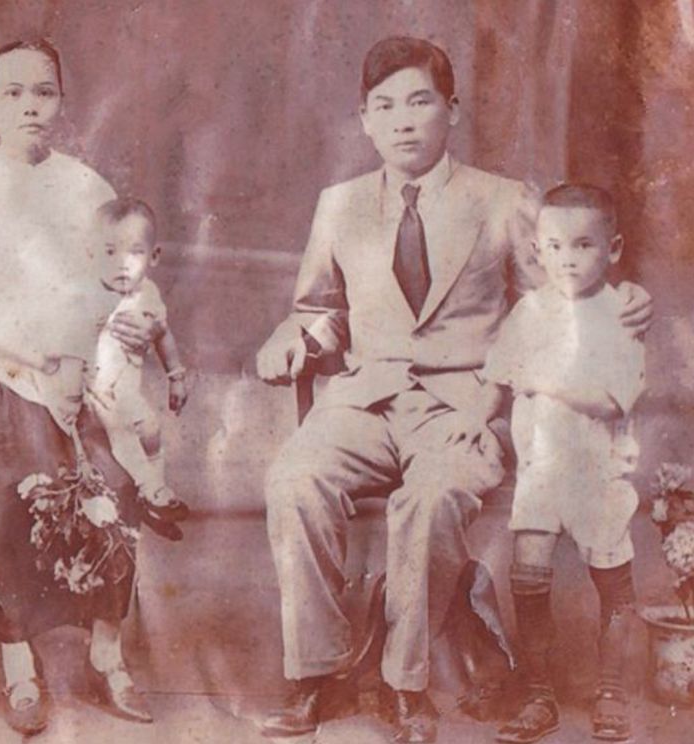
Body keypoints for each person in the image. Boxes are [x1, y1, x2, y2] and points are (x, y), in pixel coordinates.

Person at [255, 36, 652, 743]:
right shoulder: (338, 204)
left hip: (466, 406)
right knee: (294, 477)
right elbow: (321, 311)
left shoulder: (502, 201)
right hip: (364, 401)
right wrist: (294, 338)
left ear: (452, 111)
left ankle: (405, 685)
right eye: (385, 107)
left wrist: (625, 302)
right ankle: (314, 673)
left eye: (420, 102)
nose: (403, 121)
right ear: (365, 121)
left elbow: (562, 296)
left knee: (431, 498)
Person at [0, 38, 163, 736]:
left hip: (76, 380)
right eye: (12, 93)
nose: (29, 106)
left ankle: (109, 658)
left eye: (42, 92)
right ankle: (19, 670)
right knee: (16, 493)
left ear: (62, 101)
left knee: (118, 487)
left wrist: (134, 325)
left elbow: (127, 277)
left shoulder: (88, 189)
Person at [485, 185, 645, 743]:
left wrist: (546, 381)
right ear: (537, 250)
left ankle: (612, 693)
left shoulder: (621, 313)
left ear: (613, 248)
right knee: (527, 575)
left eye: (583, 245)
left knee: (613, 587)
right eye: (553, 247)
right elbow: (500, 378)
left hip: (597, 471)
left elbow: (609, 398)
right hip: (541, 472)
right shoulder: (530, 312)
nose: (567, 259)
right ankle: (539, 694)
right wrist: (475, 416)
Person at [88, 197, 189, 517]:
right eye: (110, 252)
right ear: (92, 255)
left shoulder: (148, 294)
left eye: (135, 251)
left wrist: (177, 377)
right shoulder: (90, 296)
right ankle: (150, 489)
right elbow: (67, 342)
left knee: (151, 429)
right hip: (94, 393)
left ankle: (156, 493)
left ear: (154, 256)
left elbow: (162, 334)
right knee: (121, 430)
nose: (122, 263)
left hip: (127, 392)